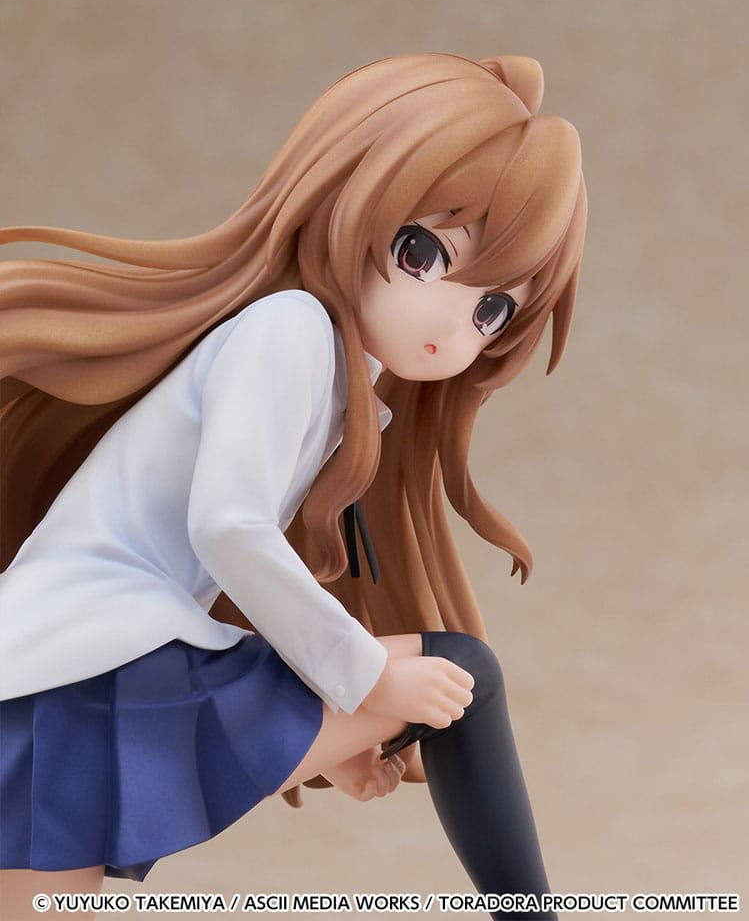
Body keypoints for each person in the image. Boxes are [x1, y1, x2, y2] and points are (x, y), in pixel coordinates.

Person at [0, 52, 586, 919]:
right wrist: (364, 678)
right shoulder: (290, 328)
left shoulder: (335, 378)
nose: (450, 322)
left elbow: (238, 564)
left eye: (491, 309)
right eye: (422, 252)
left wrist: (333, 729)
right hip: (100, 663)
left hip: (73, 668)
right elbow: (230, 531)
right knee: (464, 670)